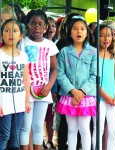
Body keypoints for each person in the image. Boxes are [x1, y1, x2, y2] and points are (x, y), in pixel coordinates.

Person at [18, 9, 59, 150]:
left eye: (40, 24)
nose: (37, 27)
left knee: (38, 126)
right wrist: (25, 86)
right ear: (27, 25)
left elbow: (54, 69)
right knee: (25, 126)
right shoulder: (22, 43)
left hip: (43, 90)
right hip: (26, 91)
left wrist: (49, 86)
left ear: (46, 27)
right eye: (33, 24)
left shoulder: (50, 45)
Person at [56, 15, 97, 150]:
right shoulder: (64, 52)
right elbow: (60, 74)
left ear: (87, 32)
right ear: (70, 32)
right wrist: (73, 91)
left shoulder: (93, 52)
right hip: (69, 96)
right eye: (75, 29)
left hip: (86, 96)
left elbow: (94, 75)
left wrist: (82, 92)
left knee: (85, 129)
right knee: (71, 129)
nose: (79, 32)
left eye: (82, 29)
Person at [0, 19, 31, 150]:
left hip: (19, 102)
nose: (10, 34)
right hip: (3, 102)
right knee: (4, 135)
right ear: (1, 34)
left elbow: (26, 78)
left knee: (14, 137)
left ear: (21, 35)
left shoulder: (23, 56)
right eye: (7, 30)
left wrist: (27, 101)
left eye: (15, 31)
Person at [92, 24, 115, 150]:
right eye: (102, 35)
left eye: (108, 35)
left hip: (113, 100)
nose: (106, 39)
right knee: (98, 129)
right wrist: (105, 96)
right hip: (99, 98)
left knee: (114, 130)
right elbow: (94, 79)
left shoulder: (114, 56)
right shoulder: (94, 55)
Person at [43, 16, 58, 149]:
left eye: (53, 26)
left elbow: (56, 69)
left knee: (50, 115)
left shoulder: (56, 44)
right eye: (49, 25)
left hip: (52, 85)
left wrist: (54, 89)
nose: (51, 28)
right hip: (38, 85)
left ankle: (50, 140)